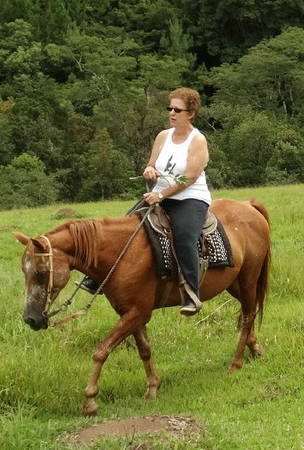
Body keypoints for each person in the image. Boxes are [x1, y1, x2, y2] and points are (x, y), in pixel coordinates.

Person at [78, 88, 211, 317]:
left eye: (177, 110)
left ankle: (191, 293)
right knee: (123, 228)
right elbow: (151, 164)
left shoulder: (197, 140)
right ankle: (97, 277)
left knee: (184, 237)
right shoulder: (163, 136)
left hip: (189, 198)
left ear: (191, 113)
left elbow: (189, 177)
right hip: (157, 194)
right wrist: (149, 170)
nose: (171, 113)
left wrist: (161, 196)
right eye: (169, 108)